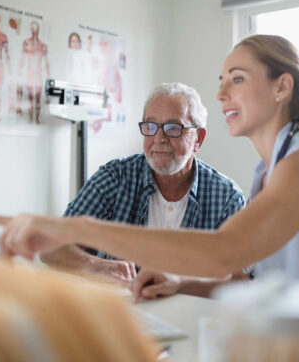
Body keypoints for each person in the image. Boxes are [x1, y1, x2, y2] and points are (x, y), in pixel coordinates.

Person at [0, 35, 299, 313]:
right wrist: (178, 281)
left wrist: (75, 228)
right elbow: (248, 279)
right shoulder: (272, 170)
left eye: (237, 79)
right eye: (222, 80)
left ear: (281, 87)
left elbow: (223, 253)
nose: (222, 92)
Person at [38, 82, 246, 297]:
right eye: (150, 126)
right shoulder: (114, 179)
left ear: (198, 139)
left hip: (192, 321)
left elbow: (239, 280)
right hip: (123, 316)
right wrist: (92, 265)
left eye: (173, 128)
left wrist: (181, 283)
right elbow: (50, 246)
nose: (159, 139)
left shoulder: (226, 198)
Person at [18, 21, 50, 124]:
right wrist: (19, 75)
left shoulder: (43, 46)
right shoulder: (27, 43)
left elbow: (46, 63)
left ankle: (36, 119)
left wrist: (49, 78)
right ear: (31, 30)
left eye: (36, 29)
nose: (35, 31)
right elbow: (22, 60)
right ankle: (31, 119)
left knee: (38, 98)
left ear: (39, 30)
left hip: (39, 74)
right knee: (30, 98)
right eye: (33, 29)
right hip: (30, 73)